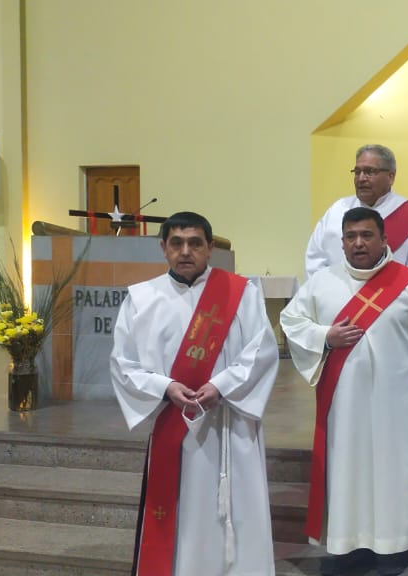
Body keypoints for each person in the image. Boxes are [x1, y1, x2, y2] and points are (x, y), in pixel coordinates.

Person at [111, 211, 278, 575]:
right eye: (176, 243)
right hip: (176, 426)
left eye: (195, 243)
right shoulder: (141, 299)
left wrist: (221, 386)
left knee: (236, 506)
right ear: (163, 248)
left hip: (230, 424)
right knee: (183, 508)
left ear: (210, 248)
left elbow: (262, 351)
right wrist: (165, 387)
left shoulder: (241, 293)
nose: (185, 251)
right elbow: (123, 364)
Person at [280, 207, 408, 576]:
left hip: (394, 406)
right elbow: (291, 321)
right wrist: (324, 336)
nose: (359, 243)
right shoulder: (322, 282)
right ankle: (347, 545)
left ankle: (395, 545)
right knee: (346, 468)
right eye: (351, 236)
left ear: (383, 239)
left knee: (393, 471)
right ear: (342, 241)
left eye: (366, 235)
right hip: (342, 405)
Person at [305, 143, 408, 286]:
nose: (361, 178)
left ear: (391, 177)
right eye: (357, 172)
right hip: (336, 304)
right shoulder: (337, 211)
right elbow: (315, 259)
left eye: (369, 171)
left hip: (393, 304)